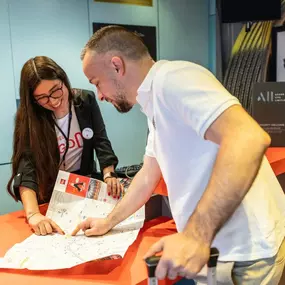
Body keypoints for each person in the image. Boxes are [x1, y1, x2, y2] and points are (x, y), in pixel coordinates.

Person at [72, 26, 285, 284]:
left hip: (243, 252)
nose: (100, 96)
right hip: (216, 251)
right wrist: (108, 221)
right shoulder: (153, 103)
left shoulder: (174, 80)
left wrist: (195, 236)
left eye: (97, 83)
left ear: (117, 66)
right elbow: (148, 176)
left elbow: (248, 138)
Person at [7, 56, 122, 236]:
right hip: (50, 193)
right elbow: (26, 166)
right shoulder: (29, 118)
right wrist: (33, 214)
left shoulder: (85, 101)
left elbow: (100, 140)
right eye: (42, 98)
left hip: (82, 186)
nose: (52, 101)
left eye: (56, 91)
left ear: (63, 80)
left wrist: (109, 173)